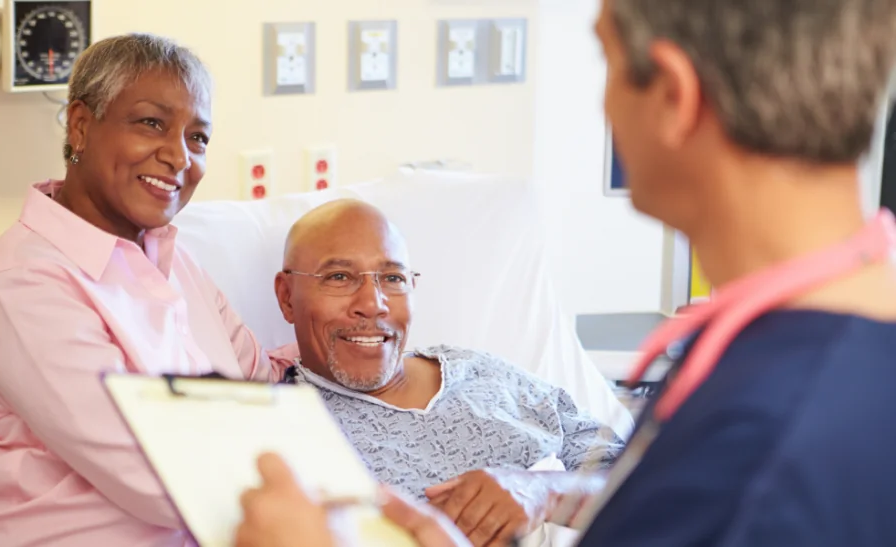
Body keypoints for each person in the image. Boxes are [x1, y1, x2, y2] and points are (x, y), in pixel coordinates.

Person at [235, 0, 896, 545]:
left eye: (605, 62)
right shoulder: (820, 367)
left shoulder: (755, 446)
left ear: (673, 94)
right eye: (339, 277)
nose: (604, 108)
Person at [0, 34, 295, 546]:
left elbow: (262, 378)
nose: (178, 156)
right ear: (81, 126)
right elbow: (155, 472)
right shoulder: (25, 282)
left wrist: (377, 364)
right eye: (151, 123)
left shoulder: (172, 260)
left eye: (198, 137)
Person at [273, 199, 624, 545]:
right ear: (287, 297)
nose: (372, 304)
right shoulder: (290, 430)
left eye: (392, 278)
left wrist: (543, 493)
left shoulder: (481, 372)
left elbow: (639, 477)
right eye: (339, 277)